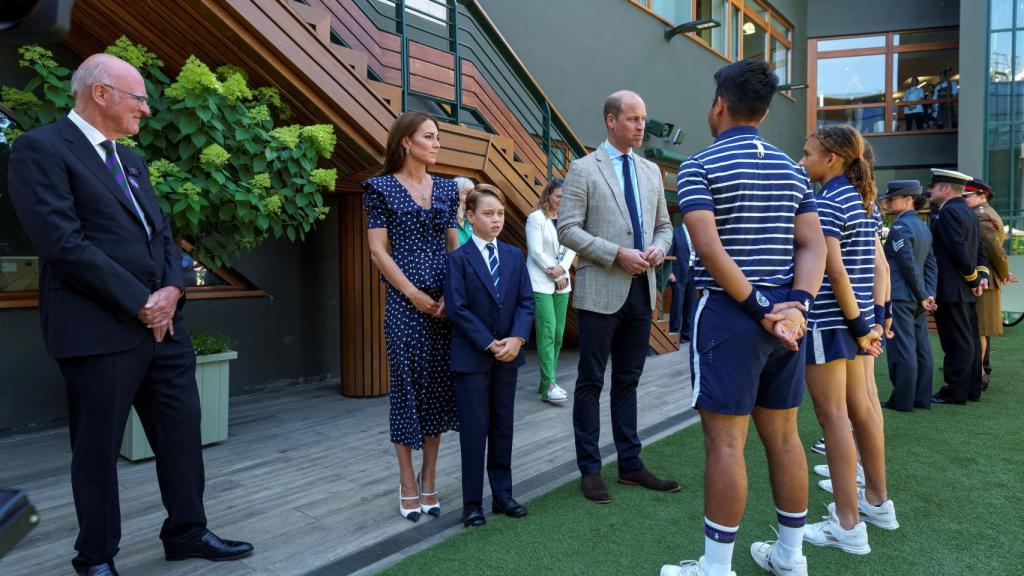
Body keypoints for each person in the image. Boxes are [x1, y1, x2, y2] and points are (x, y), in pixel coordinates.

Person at [6, 53, 253, 576]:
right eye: (138, 96)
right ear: (101, 93)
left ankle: (187, 532)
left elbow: (160, 232)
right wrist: (140, 302)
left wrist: (170, 290)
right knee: (96, 451)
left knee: (182, 435)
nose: (146, 107)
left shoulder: (130, 160)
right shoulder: (40, 149)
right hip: (98, 331)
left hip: (163, 327)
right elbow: (62, 243)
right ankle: (95, 557)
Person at [661, 59, 826, 576]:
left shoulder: (699, 165)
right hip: (785, 318)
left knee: (726, 444)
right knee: (784, 436)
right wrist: (795, 307)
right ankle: (790, 557)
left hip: (733, 315)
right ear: (766, 108)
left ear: (719, 104)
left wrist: (760, 311)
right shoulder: (792, 167)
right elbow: (813, 245)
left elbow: (707, 249)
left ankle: (715, 569)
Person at [558, 90, 678, 504]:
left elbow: (665, 225)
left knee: (628, 380)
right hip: (600, 291)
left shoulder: (651, 172)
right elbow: (567, 229)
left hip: (643, 289)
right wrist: (615, 254)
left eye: (643, 118)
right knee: (590, 381)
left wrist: (659, 249)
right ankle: (590, 469)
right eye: (633, 119)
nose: (641, 125)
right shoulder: (582, 168)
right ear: (611, 120)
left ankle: (630, 464)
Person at [800, 124, 898, 557]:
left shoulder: (828, 201)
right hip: (858, 321)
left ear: (831, 159)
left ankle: (847, 524)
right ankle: (877, 501)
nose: (802, 161)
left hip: (832, 322)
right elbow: (880, 268)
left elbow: (833, 270)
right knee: (863, 410)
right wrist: (875, 320)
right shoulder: (863, 200)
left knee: (834, 418)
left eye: (807, 154)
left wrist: (861, 327)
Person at [363, 111, 460, 522]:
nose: (437, 143)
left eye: (438, 137)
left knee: (438, 390)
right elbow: (377, 251)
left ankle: (430, 475)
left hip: (444, 308)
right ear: (407, 142)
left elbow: (455, 246)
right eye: (430, 136)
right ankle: (406, 480)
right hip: (405, 306)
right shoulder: (379, 188)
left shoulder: (448, 189)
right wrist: (413, 294)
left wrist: (455, 298)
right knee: (406, 390)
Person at [446, 184, 535, 527]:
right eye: (488, 213)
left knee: (502, 426)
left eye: (500, 213)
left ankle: (503, 494)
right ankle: (472, 503)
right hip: (473, 357)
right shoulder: (458, 259)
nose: (496, 220)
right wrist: (489, 342)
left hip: (509, 356)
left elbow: (526, 302)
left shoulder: (514, 255)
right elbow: (457, 307)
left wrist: (516, 338)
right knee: (474, 430)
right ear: (470, 217)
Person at [927, 168, 989, 404]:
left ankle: (956, 391)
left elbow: (959, 250)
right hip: (965, 286)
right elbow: (979, 250)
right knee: (969, 339)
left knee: (956, 342)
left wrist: (973, 279)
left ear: (946, 188)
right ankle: (971, 388)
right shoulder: (967, 211)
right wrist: (979, 277)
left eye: (934, 186)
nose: (930, 190)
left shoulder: (949, 213)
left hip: (952, 287)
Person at [879, 180, 938, 411]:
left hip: (903, 296)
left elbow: (907, 264)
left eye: (892, 198)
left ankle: (902, 400)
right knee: (921, 348)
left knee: (902, 349)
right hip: (917, 297)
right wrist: (928, 293)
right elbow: (931, 265)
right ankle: (921, 398)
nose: (888, 202)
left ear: (908, 199)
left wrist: (923, 293)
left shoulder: (901, 228)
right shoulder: (923, 227)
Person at [525, 178, 576, 404]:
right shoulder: (535, 219)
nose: (562, 201)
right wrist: (553, 272)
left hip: (562, 280)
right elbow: (535, 251)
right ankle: (549, 386)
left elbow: (573, 248)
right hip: (540, 281)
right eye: (558, 197)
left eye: (566, 198)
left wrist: (562, 270)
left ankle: (546, 379)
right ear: (548, 196)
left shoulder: (570, 220)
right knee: (547, 332)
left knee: (558, 335)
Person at [963, 178, 1014, 387]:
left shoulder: (981, 216)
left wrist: (1004, 273)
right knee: (980, 330)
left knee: (979, 330)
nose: (964, 200)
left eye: (967, 196)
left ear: (981, 196)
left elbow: (994, 251)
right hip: (990, 277)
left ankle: (979, 374)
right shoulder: (986, 213)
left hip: (986, 279)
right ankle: (980, 371)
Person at [667, 222, 695, 339]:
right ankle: (674, 331)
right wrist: (669, 272)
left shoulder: (696, 232)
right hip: (678, 273)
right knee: (678, 303)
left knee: (690, 303)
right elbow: (669, 252)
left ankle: (686, 333)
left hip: (693, 271)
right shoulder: (675, 232)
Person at [453, 176, 475, 245]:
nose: (470, 197)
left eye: (471, 193)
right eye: (466, 193)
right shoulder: (448, 221)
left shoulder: (473, 220)